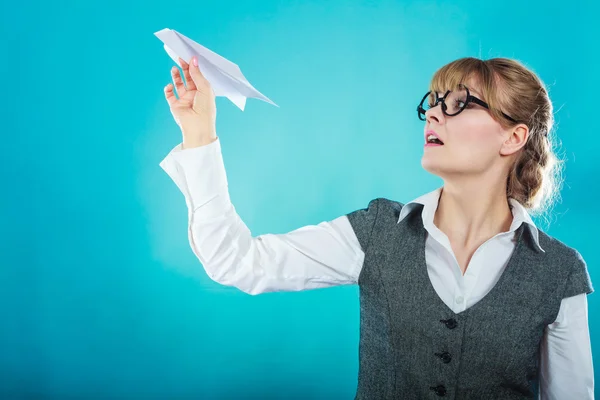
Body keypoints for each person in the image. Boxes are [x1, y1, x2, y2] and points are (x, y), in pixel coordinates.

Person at [159, 55, 594, 399]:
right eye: (433, 102)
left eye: (459, 103)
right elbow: (237, 262)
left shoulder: (560, 272)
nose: (434, 115)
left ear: (513, 138)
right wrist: (200, 134)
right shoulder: (377, 232)